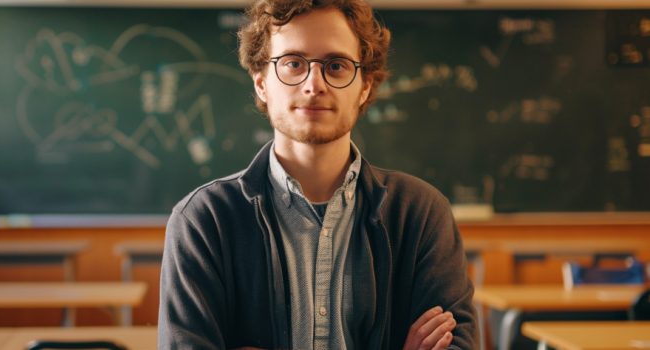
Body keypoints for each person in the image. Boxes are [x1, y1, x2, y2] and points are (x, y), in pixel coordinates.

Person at [158, 0, 477, 349]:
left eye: (336, 65)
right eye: (293, 63)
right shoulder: (204, 220)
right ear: (261, 82)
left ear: (365, 86)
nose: (314, 84)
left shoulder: (421, 213)